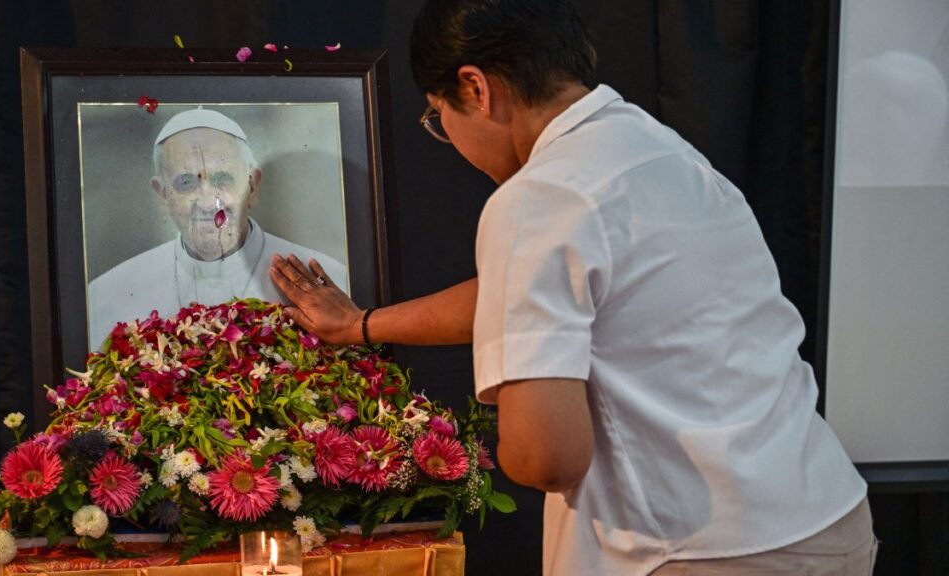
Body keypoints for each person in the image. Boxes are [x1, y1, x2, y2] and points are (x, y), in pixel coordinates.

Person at [269, 0, 877, 574]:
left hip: (702, 551)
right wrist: (362, 326)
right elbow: (524, 294)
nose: (447, 137)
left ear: (476, 88)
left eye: (438, 116)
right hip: (825, 517)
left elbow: (546, 457)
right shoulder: (662, 151)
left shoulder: (539, 197)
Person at [87, 108, 348, 348]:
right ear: (163, 195)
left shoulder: (329, 278)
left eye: (222, 179)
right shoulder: (109, 294)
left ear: (253, 186)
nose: (207, 202)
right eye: (186, 182)